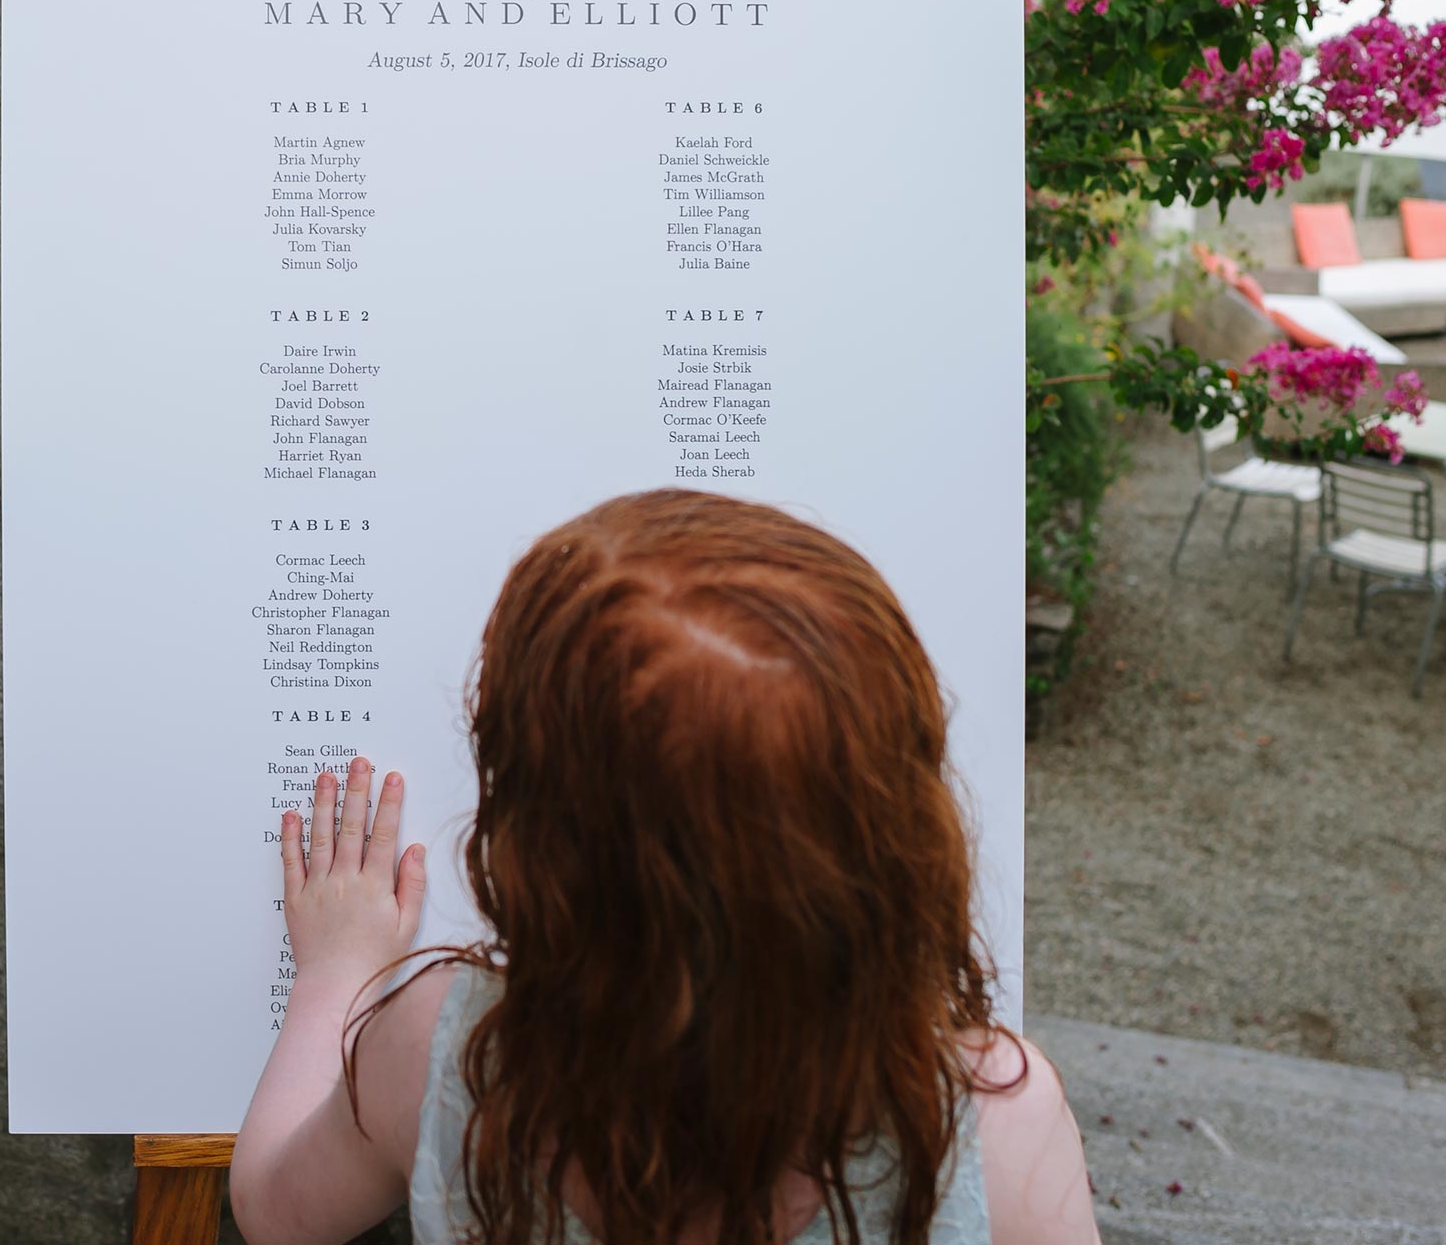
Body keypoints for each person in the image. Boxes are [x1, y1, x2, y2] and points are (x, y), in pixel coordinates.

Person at [232, 490, 1099, 1245]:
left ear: (542, 850)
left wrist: (338, 970)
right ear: (900, 826)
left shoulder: (443, 1049)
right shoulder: (996, 1119)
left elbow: (271, 1208)